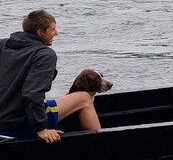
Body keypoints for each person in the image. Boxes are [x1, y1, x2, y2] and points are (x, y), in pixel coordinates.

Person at [0, 10, 101, 143]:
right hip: (17, 124)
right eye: (53, 29)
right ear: (40, 33)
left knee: (63, 100)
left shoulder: (3, 45)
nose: (56, 33)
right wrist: (41, 128)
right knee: (83, 98)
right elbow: (32, 93)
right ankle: (102, 143)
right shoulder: (44, 55)